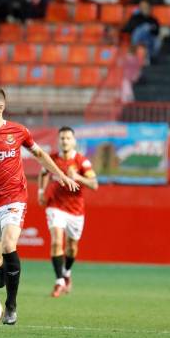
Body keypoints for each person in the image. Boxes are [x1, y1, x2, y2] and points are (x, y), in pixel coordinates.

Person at [0, 86, 79, 325]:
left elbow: (40, 155)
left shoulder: (18, 131)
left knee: (10, 244)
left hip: (14, 197)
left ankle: (11, 306)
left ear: (0, 107)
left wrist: (60, 174)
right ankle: (1, 269)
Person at [37, 127, 98, 298]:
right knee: (57, 242)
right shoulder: (53, 159)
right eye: (62, 138)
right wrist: (41, 192)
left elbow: (94, 184)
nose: (65, 141)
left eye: (68, 138)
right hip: (55, 205)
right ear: (58, 140)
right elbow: (43, 173)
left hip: (76, 210)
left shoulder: (82, 161)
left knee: (72, 247)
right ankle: (59, 282)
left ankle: (67, 272)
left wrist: (77, 177)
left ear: (74, 141)